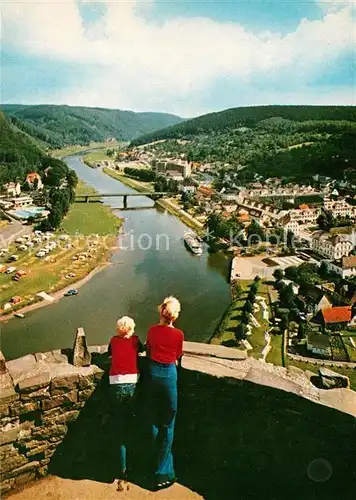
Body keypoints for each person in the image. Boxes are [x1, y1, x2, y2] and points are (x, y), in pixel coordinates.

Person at [146, 296, 184, 490]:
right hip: (169, 376)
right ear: (174, 316)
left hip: (152, 374)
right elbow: (177, 356)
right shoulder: (178, 334)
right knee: (168, 424)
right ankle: (163, 472)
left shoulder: (152, 331)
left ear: (161, 311)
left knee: (153, 420)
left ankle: (150, 464)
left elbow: (149, 350)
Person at [108, 316, 143, 490]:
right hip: (131, 385)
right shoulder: (136, 341)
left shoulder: (113, 341)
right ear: (131, 329)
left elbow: (109, 353)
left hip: (115, 384)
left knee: (120, 426)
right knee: (132, 424)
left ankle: (121, 470)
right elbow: (142, 351)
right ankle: (133, 467)